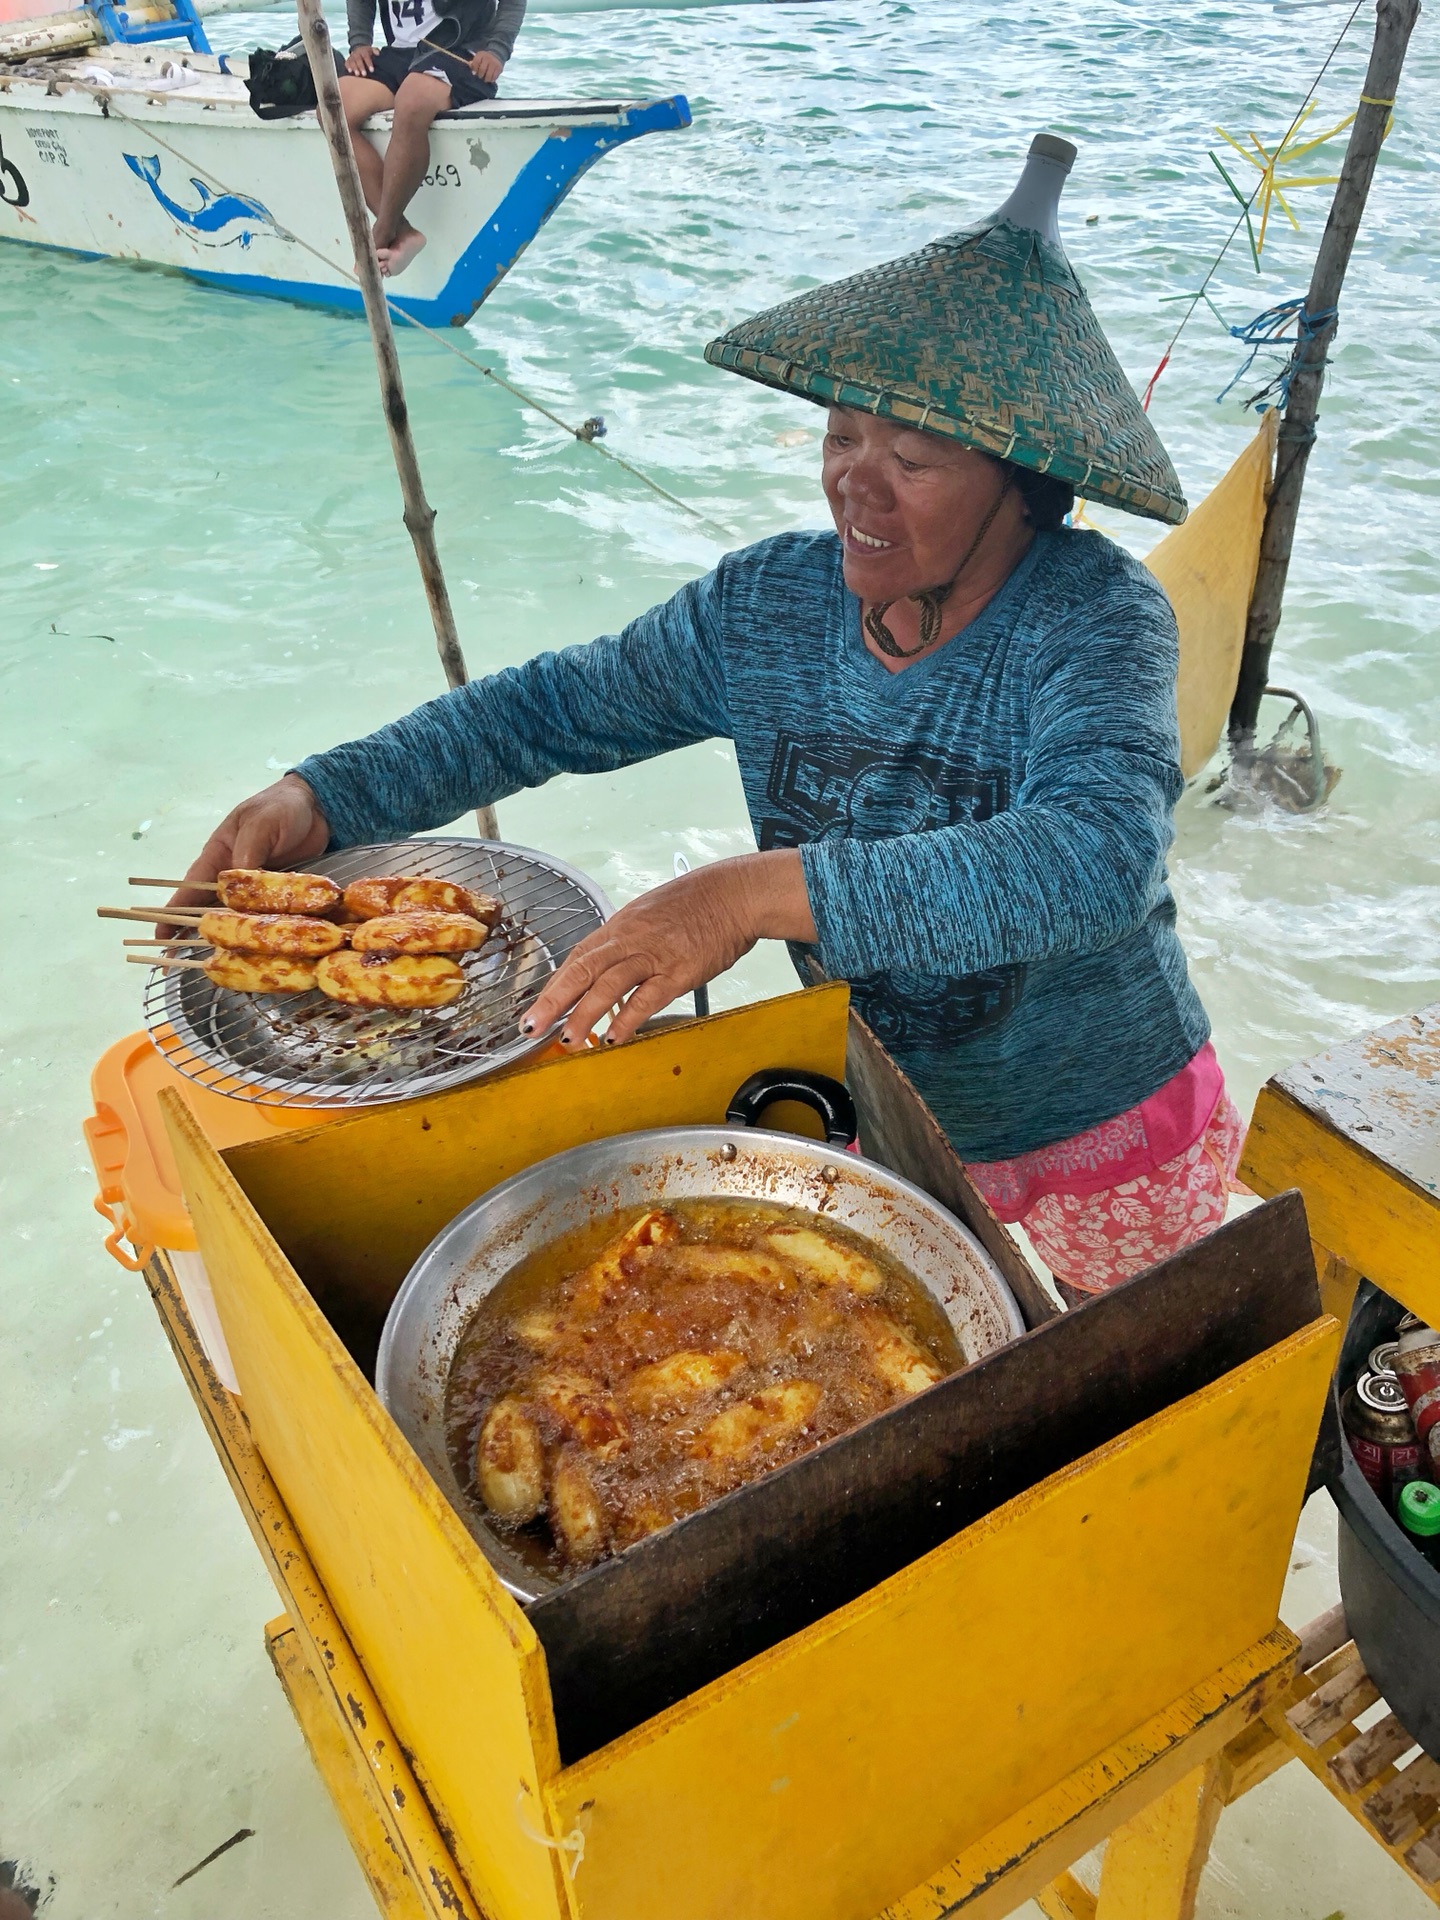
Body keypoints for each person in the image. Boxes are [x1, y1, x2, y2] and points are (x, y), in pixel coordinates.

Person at [171, 135, 1246, 1305]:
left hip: (1100, 1136)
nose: (855, 484)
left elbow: (1094, 857)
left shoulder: (1095, 617)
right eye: (842, 437)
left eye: (915, 459)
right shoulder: (769, 606)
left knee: (1110, 1415)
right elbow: (551, 709)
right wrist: (322, 794)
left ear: (1024, 485)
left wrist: (741, 895)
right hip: (884, 1107)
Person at [341, 0, 528, 276]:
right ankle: (403, 232)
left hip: (460, 50)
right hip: (400, 54)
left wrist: (497, 50)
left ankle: (382, 231)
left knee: (413, 101)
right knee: (335, 110)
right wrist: (359, 43)